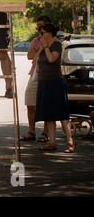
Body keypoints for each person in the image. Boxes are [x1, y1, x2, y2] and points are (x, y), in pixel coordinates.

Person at [34, 23, 75, 153]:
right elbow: (34, 60)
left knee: (62, 113)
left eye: (42, 33)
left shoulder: (57, 44)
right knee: (48, 113)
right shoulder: (42, 45)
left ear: (50, 33)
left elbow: (52, 59)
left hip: (55, 81)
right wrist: (41, 48)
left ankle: (70, 141)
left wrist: (46, 47)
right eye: (40, 33)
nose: (40, 35)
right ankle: (52, 142)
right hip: (44, 81)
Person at [21, 15, 54, 142]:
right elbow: (29, 55)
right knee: (30, 103)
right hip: (34, 74)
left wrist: (42, 50)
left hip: (48, 76)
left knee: (46, 105)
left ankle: (45, 133)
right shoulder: (36, 40)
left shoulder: (55, 41)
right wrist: (42, 49)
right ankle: (31, 131)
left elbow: (52, 57)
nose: (38, 27)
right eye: (37, 25)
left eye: (41, 24)